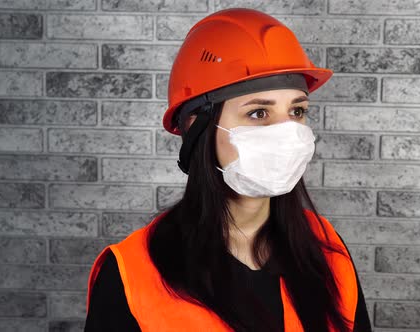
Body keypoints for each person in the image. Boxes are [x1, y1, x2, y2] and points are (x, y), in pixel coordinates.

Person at [84, 8, 372, 332]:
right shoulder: (131, 275)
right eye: (259, 113)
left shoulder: (327, 251)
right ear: (197, 127)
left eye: (297, 110)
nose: (287, 133)